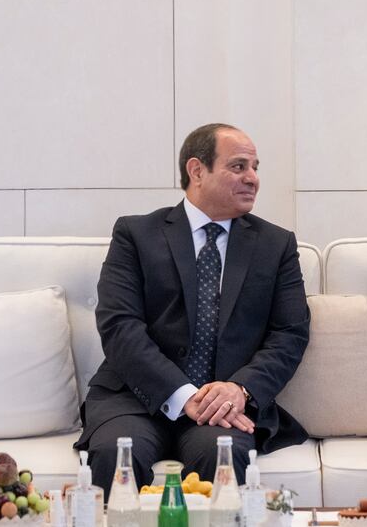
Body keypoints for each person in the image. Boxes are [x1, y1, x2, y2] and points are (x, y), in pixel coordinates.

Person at [75, 123, 310, 496]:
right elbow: (120, 326)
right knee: (116, 454)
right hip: (136, 398)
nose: (253, 178)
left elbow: (290, 334)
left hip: (224, 403)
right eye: (238, 167)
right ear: (197, 170)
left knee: (224, 455)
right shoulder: (135, 234)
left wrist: (241, 390)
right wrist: (184, 396)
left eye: (255, 167)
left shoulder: (275, 245)